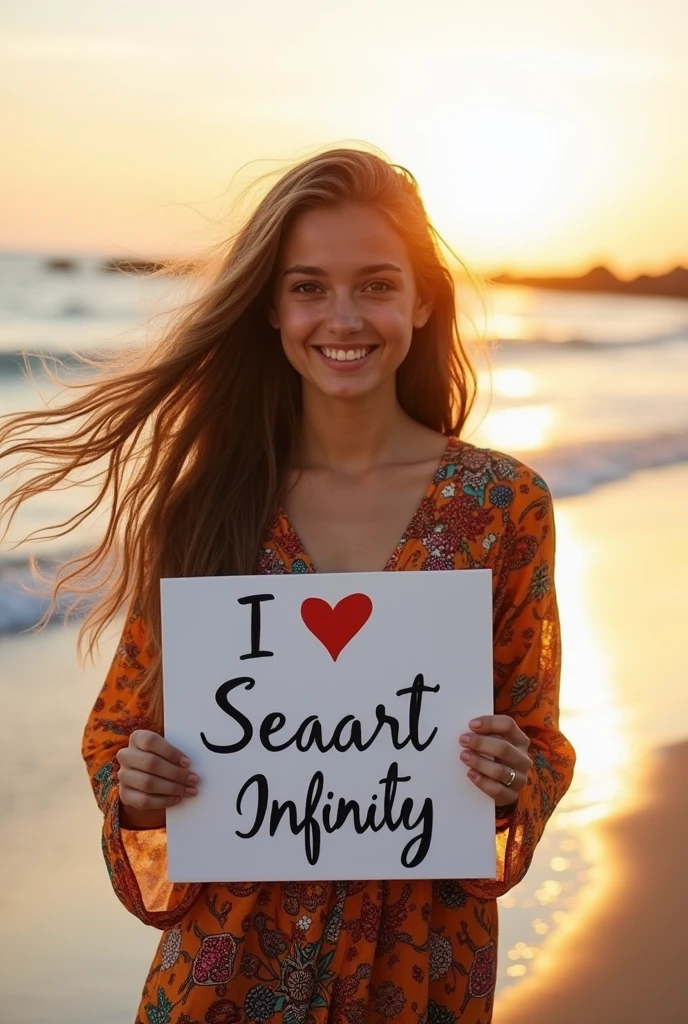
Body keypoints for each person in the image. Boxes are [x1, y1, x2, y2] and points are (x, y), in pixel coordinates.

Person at [0, 148, 575, 1023]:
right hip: (226, 970)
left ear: (422, 301)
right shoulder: (208, 506)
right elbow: (122, 728)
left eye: (376, 284)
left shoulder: (502, 506)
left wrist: (508, 777)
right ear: (271, 306)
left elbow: (537, 745)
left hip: (417, 970)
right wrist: (138, 786)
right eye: (308, 286)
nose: (343, 317)